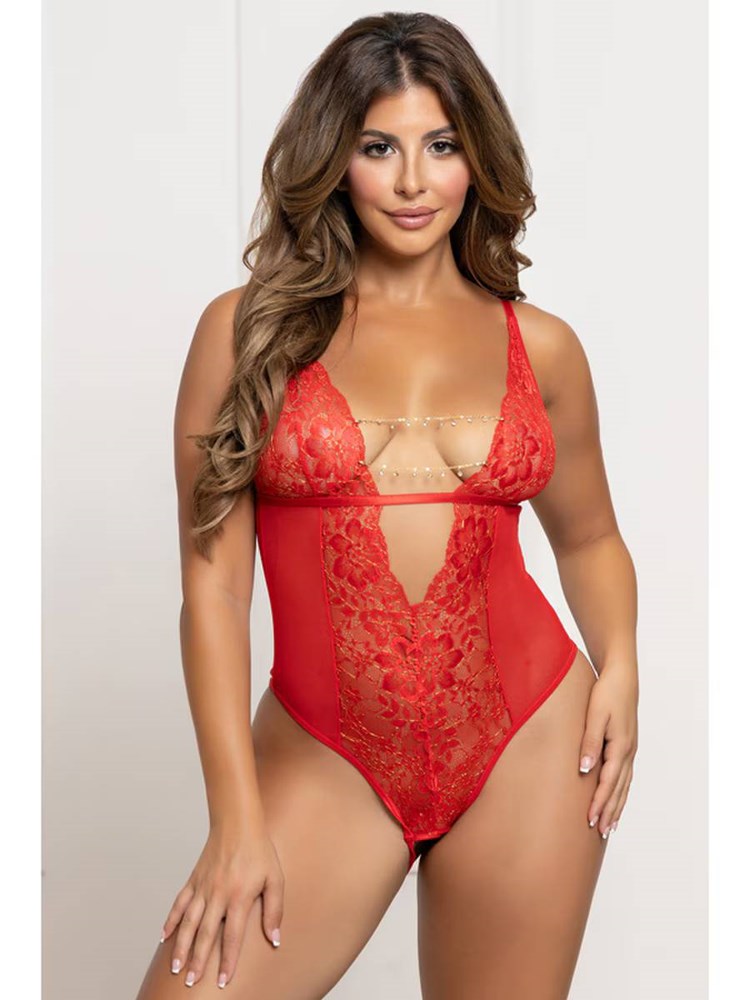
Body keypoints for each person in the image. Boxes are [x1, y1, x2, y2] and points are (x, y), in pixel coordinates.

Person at [135, 11, 639, 999]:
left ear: (477, 158)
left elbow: (589, 539)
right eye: (379, 148)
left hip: (534, 741)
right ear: (335, 158)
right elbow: (214, 589)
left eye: (441, 146)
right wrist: (235, 819)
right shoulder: (245, 334)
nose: (413, 181)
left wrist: (620, 662)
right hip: (326, 753)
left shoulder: (541, 346)